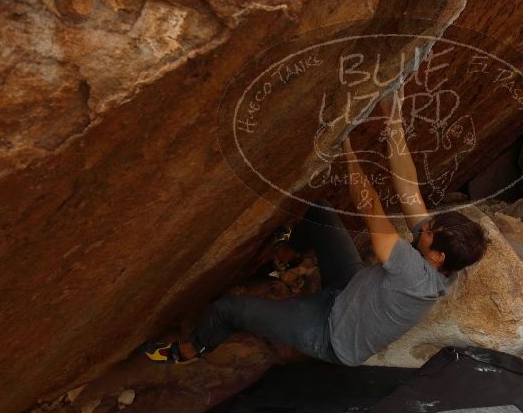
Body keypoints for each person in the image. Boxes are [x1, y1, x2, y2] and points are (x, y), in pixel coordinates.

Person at [144, 93, 489, 366]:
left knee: (229, 309)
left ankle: (190, 350)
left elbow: (369, 205)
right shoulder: (445, 261)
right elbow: (408, 188)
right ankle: (287, 259)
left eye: (429, 231)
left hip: (328, 333)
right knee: (320, 210)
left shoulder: (415, 275)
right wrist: (392, 117)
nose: (424, 225)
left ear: (436, 256)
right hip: (351, 291)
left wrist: (346, 146)